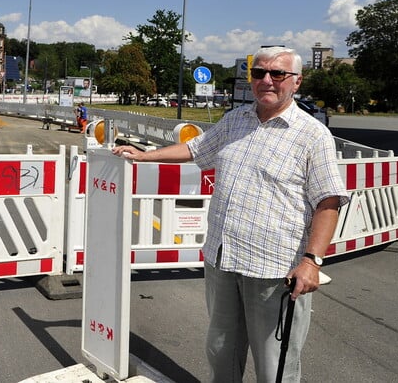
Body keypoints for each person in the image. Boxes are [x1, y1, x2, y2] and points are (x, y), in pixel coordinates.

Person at [113, 46, 348, 382]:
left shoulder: (312, 135)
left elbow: (328, 201)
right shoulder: (235, 120)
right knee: (221, 351)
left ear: (296, 82)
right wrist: (144, 156)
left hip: (275, 270)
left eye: (277, 74)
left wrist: (311, 261)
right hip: (223, 261)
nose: (266, 80)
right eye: (259, 73)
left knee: (275, 365)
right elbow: (196, 149)